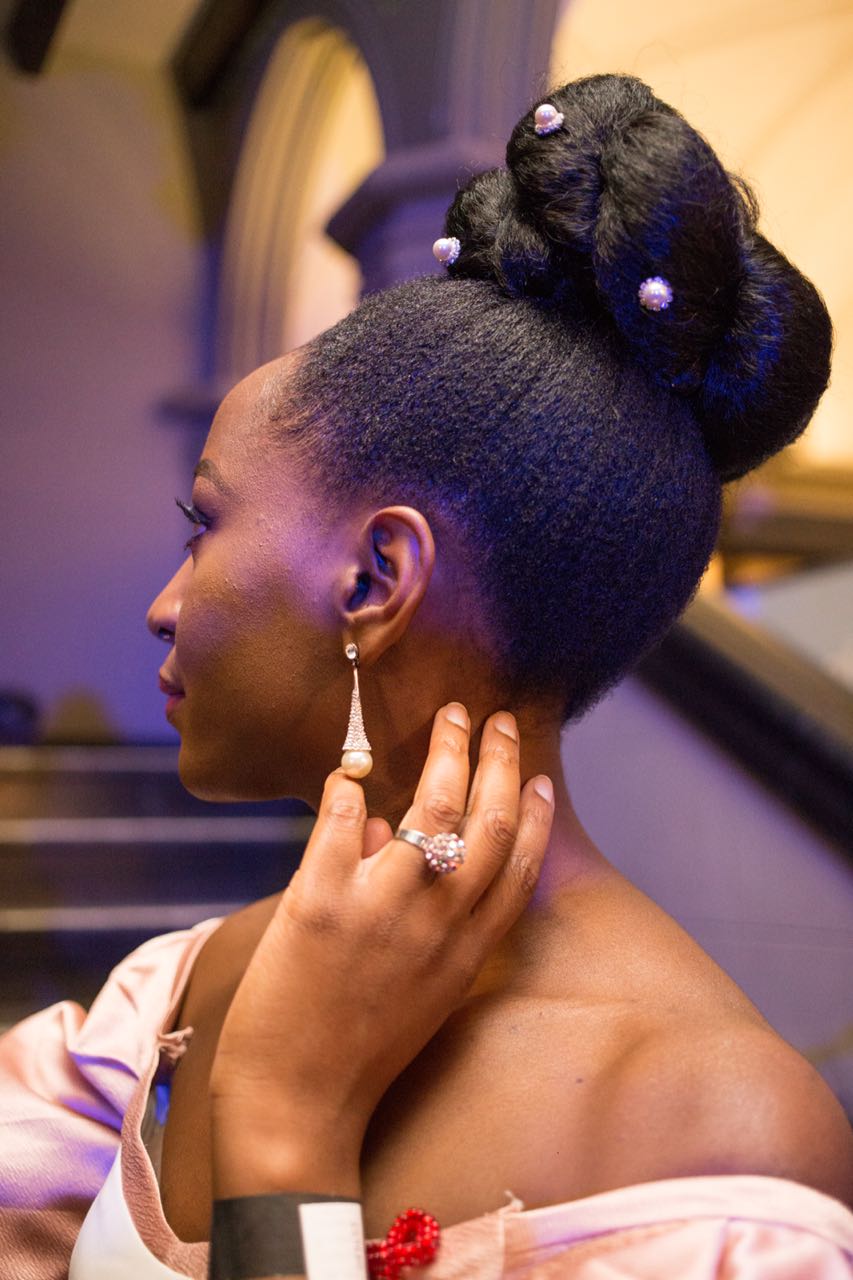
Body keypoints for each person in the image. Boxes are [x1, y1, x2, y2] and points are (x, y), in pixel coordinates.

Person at [2, 73, 852, 1279]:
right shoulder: (170, 995)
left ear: (376, 576)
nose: (163, 604)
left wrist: (288, 1117)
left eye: (204, 524)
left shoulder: (715, 1144)